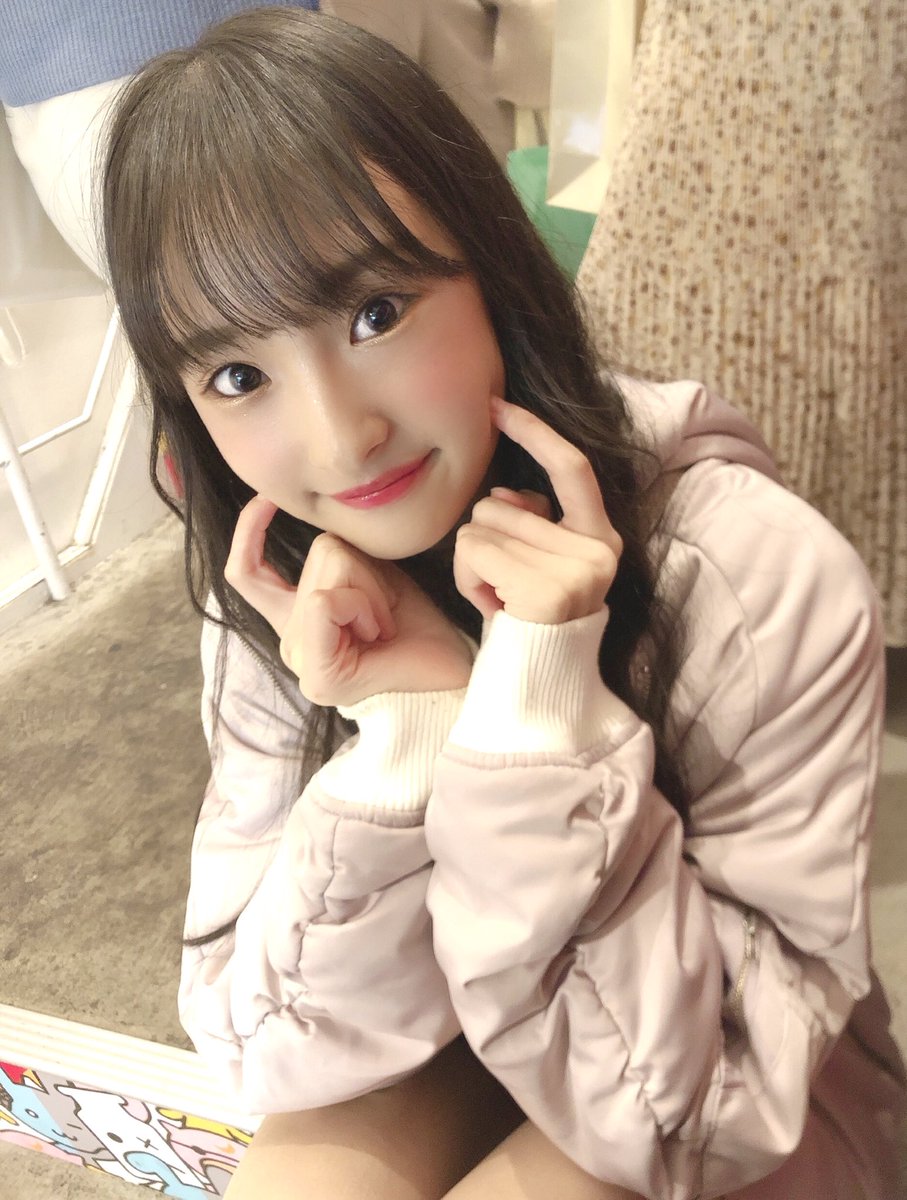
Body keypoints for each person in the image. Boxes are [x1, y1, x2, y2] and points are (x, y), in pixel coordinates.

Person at [98, 8, 906, 1199]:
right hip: (467, 1054)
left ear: (491, 267)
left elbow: (699, 1114)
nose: (339, 438)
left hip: (715, 1101)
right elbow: (264, 1043)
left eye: (375, 313)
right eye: (237, 374)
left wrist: (533, 726)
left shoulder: (751, 575)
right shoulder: (295, 593)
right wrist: (408, 733)